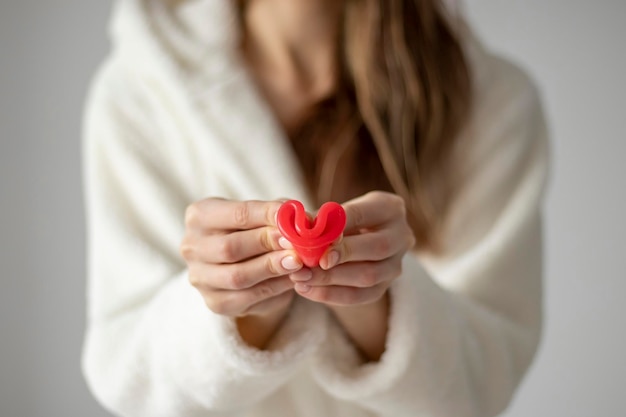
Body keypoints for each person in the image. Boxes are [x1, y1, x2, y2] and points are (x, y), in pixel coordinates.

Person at [81, 0, 549, 416]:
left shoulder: (492, 101)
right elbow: (128, 380)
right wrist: (242, 308)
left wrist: (379, 301)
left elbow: (483, 387)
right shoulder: (140, 95)